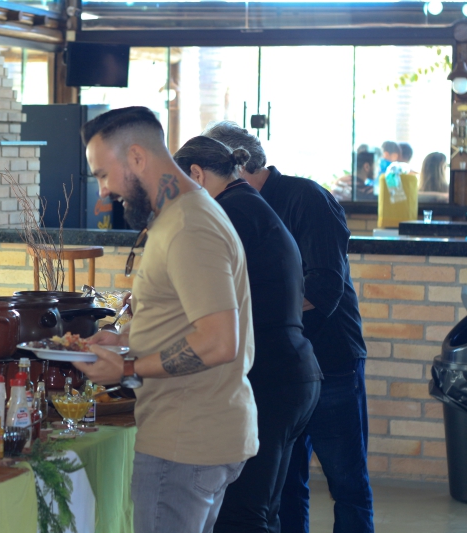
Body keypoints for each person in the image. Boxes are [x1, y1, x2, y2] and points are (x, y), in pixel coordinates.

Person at [74, 107, 258, 533]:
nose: (103, 191)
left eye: (103, 174)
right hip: (191, 434)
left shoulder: (189, 226)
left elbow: (218, 341)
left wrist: (127, 369)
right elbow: (178, 318)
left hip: (185, 441)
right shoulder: (178, 215)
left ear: (137, 157)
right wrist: (122, 339)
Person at [204, 121, 373, 533]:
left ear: (234, 163)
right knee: (285, 487)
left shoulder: (306, 198)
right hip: (278, 369)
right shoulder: (234, 209)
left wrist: (259, 312)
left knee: (347, 485)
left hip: (330, 359)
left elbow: (324, 287)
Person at [173, 136, 322, 533]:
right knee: (262, 512)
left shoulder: (228, 214)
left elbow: (203, 302)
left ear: (197, 174)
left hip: (271, 379)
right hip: (291, 372)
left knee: (241, 515)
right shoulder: (247, 204)